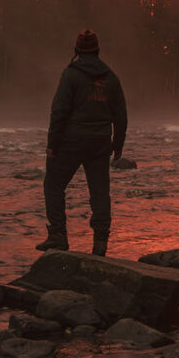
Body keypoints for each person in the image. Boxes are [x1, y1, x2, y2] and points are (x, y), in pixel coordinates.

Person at [37, 29, 128, 256]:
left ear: (77, 50)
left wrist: (52, 145)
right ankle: (100, 245)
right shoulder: (111, 77)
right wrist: (118, 145)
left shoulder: (70, 75)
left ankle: (58, 237)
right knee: (99, 191)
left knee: (53, 185)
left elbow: (58, 112)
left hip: (72, 140)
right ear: (97, 50)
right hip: (100, 141)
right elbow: (121, 116)